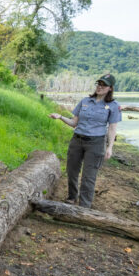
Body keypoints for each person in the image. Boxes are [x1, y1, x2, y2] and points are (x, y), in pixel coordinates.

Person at [49, 73, 121, 208]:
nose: (100, 87)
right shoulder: (85, 101)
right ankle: (72, 197)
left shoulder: (113, 106)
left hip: (96, 143)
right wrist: (60, 117)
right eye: (99, 83)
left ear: (110, 88)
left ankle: (84, 206)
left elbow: (112, 128)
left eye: (104, 85)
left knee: (89, 176)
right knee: (71, 171)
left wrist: (110, 147)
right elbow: (74, 123)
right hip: (77, 140)